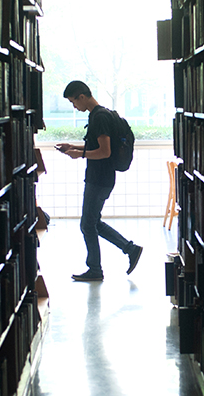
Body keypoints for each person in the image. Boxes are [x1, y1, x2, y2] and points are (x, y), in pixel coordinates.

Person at [56, 80, 143, 281]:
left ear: (82, 96)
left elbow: (104, 152)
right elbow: (97, 147)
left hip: (99, 178)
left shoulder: (99, 117)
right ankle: (130, 249)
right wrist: (74, 148)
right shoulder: (100, 114)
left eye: (73, 102)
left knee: (87, 225)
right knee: (93, 222)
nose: (74, 107)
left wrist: (81, 154)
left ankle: (96, 269)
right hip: (101, 177)